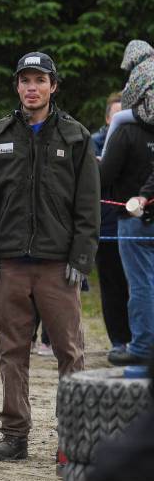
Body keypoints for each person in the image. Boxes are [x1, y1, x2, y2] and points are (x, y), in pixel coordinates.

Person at [0, 51, 99, 461]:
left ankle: (73, 440)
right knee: (12, 352)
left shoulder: (76, 137)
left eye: (40, 80)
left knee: (70, 353)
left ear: (53, 87)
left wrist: (80, 260)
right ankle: (14, 436)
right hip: (10, 265)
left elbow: (88, 207)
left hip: (57, 267)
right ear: (18, 87)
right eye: (25, 80)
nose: (32, 87)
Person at [99, 93, 154, 366]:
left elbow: (104, 176)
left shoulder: (125, 131)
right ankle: (131, 341)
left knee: (141, 284)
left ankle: (142, 345)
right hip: (128, 217)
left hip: (134, 220)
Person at [92, 92, 131, 358]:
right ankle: (118, 340)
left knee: (137, 286)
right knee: (112, 286)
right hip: (106, 227)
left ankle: (138, 339)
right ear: (108, 118)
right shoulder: (94, 143)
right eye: (115, 115)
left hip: (133, 224)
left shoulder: (136, 138)